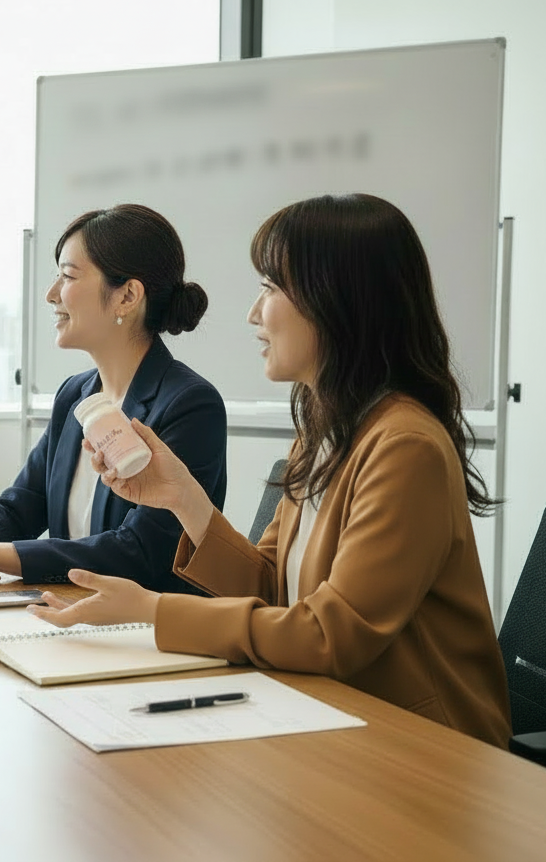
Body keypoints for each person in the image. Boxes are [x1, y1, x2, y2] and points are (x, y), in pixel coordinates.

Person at [31, 194, 511, 747]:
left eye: (270, 289)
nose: (254, 314)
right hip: (331, 713)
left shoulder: (406, 446)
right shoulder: (327, 431)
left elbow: (330, 635)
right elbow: (271, 586)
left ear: (337, 301)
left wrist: (154, 611)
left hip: (423, 742)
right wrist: (183, 497)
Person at [0, 204, 227, 591]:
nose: (51, 294)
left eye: (67, 276)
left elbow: (141, 552)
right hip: (71, 611)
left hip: (149, 635)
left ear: (127, 296)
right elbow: (22, 505)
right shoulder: (75, 395)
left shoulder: (190, 404)